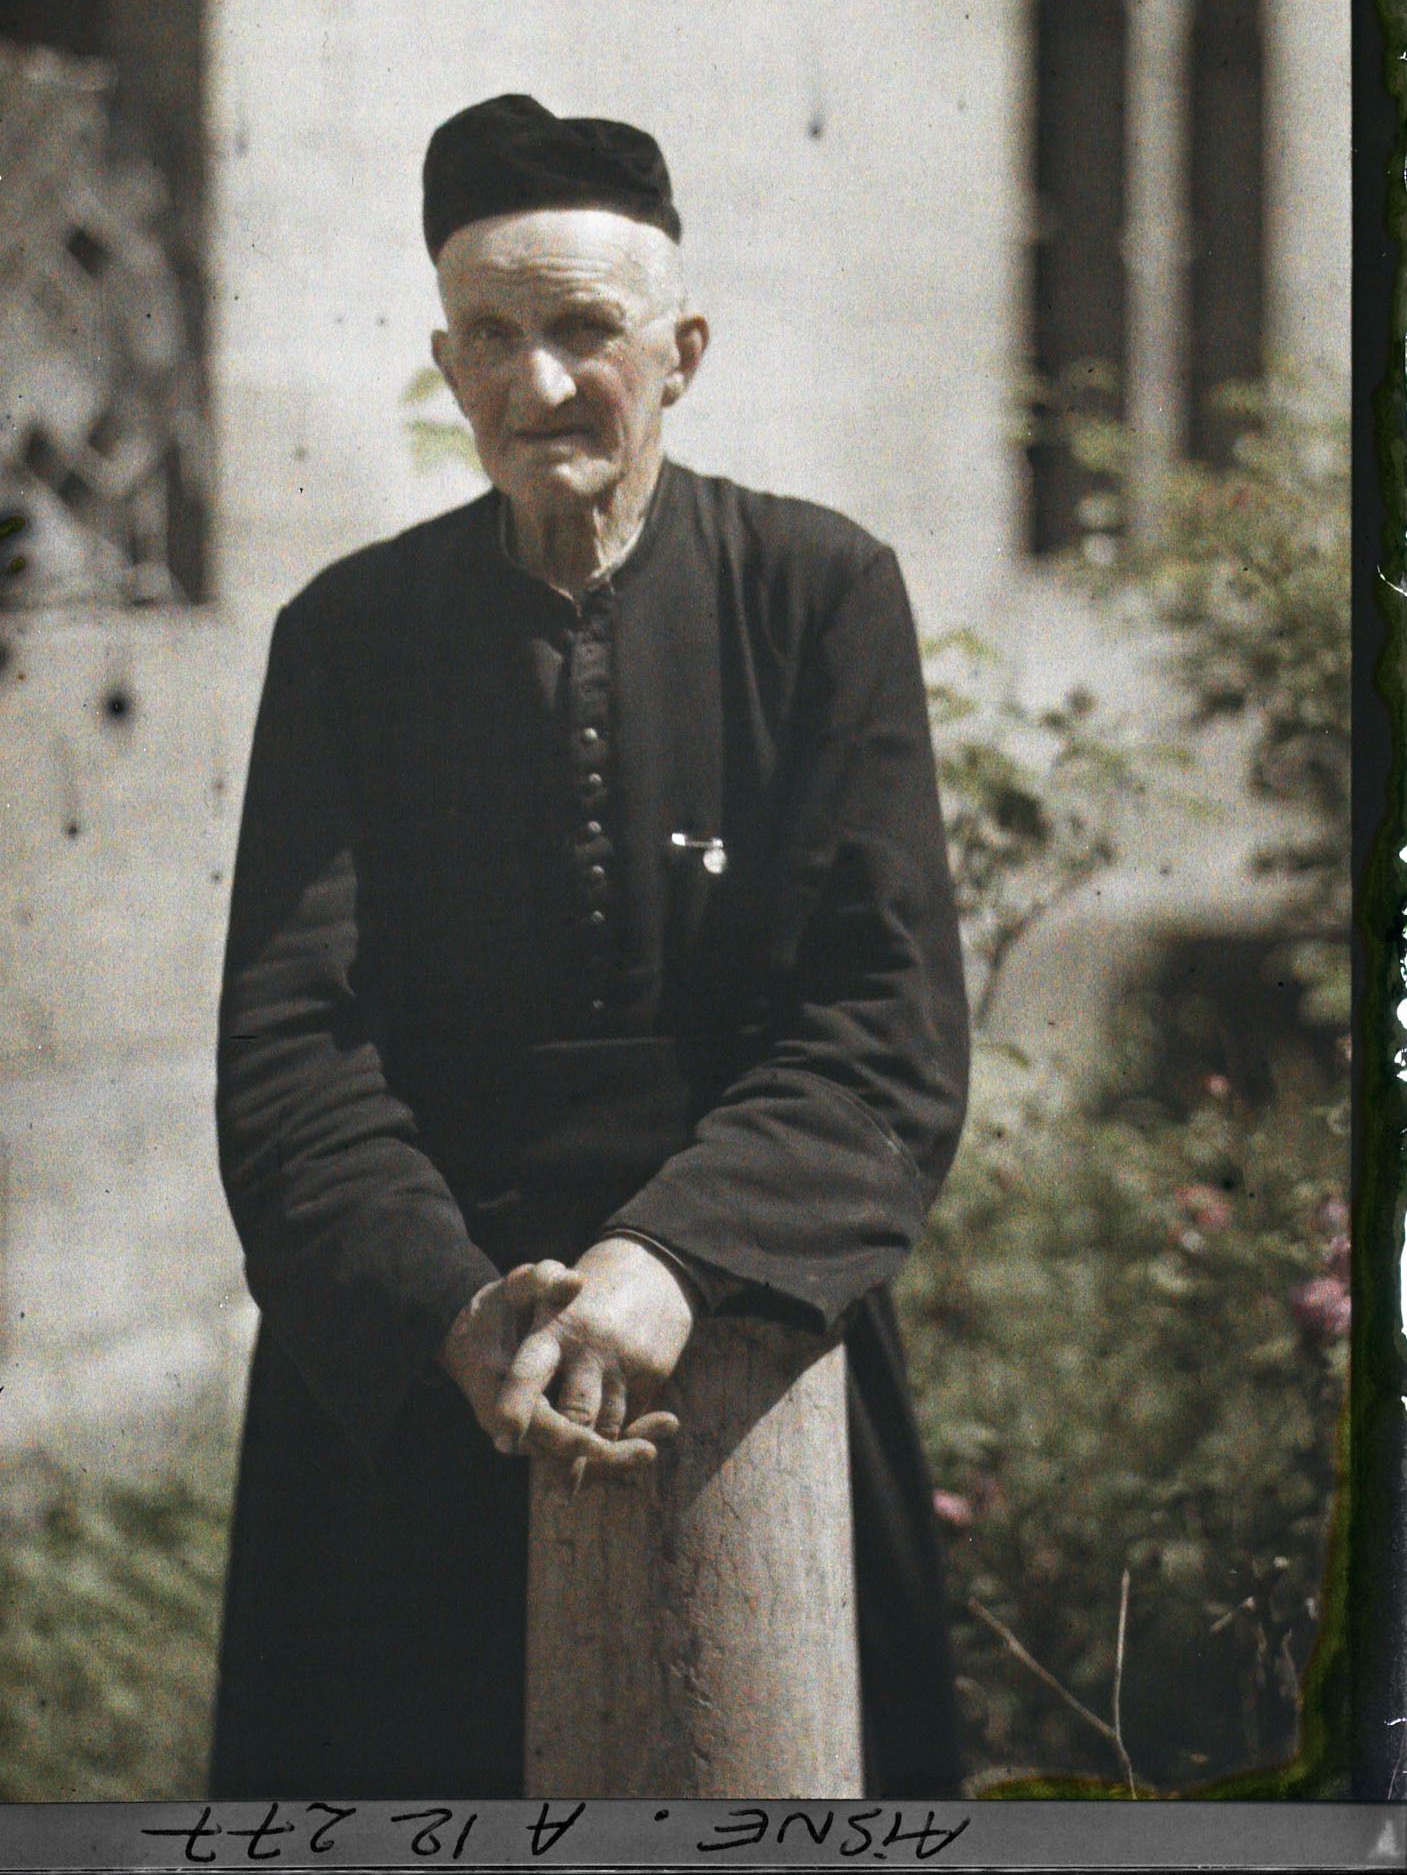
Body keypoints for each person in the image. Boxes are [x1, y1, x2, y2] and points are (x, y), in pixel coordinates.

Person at [211, 93, 970, 1800]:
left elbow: (884, 1027)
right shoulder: (345, 637)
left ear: (682, 350)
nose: (536, 385)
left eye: (584, 332)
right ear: (444, 355)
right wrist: (455, 1313)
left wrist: (672, 1263)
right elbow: (288, 1047)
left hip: (743, 1345)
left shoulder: (821, 594)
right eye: (489, 337)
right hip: (420, 1389)